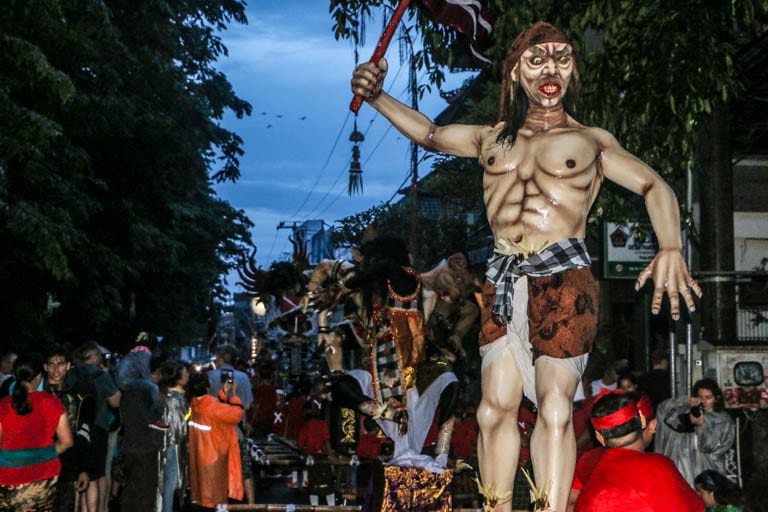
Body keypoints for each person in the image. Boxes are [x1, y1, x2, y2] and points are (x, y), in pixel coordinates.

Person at [350, 20, 701, 511]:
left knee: (555, 406)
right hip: (502, 279)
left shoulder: (591, 140)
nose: (550, 68)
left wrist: (670, 247)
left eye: (562, 57)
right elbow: (429, 134)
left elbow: (653, 185)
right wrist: (377, 96)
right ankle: (498, 506)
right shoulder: (492, 138)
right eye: (537, 59)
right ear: (516, 73)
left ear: (573, 71)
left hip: (563, 277)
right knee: (495, 409)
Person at [570, 392, 703, 511]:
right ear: (643, 420)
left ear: (600, 438)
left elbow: (570, 500)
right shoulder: (661, 467)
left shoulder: (587, 462)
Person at [0, 354, 74, 511]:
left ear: (14, 376)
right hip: (45, 475)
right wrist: (42, 455)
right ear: (39, 376)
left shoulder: (4, 405)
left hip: (9, 476)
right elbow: (67, 441)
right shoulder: (52, 402)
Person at [66, 341, 121, 512]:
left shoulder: (70, 374)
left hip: (75, 427)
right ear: (94, 357)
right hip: (98, 427)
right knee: (96, 475)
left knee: (78, 473)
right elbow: (116, 401)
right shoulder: (101, 375)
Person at [655, 378, 736, 486]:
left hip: (706, 476)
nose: (703, 401)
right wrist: (684, 401)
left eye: (708, 398)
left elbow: (709, 446)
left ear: (716, 398)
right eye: (700, 397)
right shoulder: (686, 411)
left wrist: (702, 425)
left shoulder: (723, 421)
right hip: (681, 472)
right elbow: (664, 411)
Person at [44, 344, 95, 512]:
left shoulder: (76, 396)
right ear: (45, 366)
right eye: (52, 364)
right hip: (41, 460)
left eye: (60, 364)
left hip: (68, 462)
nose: (56, 369)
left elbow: (83, 434)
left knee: (65, 505)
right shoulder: (37, 395)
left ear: (68, 366)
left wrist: (83, 469)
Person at [207, 344, 255, 504]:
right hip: (237, 427)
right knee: (244, 467)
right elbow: (248, 405)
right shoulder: (242, 377)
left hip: (215, 428)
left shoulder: (210, 376)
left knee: (218, 465)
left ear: (220, 359)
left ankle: (221, 503)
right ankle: (251, 503)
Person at [188, 372, 244, 509]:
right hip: (215, 457)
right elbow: (236, 414)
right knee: (217, 499)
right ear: (208, 387)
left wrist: (223, 395)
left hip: (200, 455)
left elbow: (217, 411)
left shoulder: (194, 404)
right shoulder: (212, 406)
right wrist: (234, 396)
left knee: (204, 495)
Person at [118, 354, 166, 512]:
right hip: (145, 446)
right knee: (145, 492)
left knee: (130, 488)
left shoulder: (126, 390)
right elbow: (153, 416)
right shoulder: (147, 390)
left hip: (128, 445)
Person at [158, 360, 190, 512]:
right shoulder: (174, 399)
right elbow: (179, 425)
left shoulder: (167, 395)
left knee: (167, 482)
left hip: (168, 444)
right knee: (170, 482)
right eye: (185, 373)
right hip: (173, 445)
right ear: (178, 379)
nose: (188, 375)